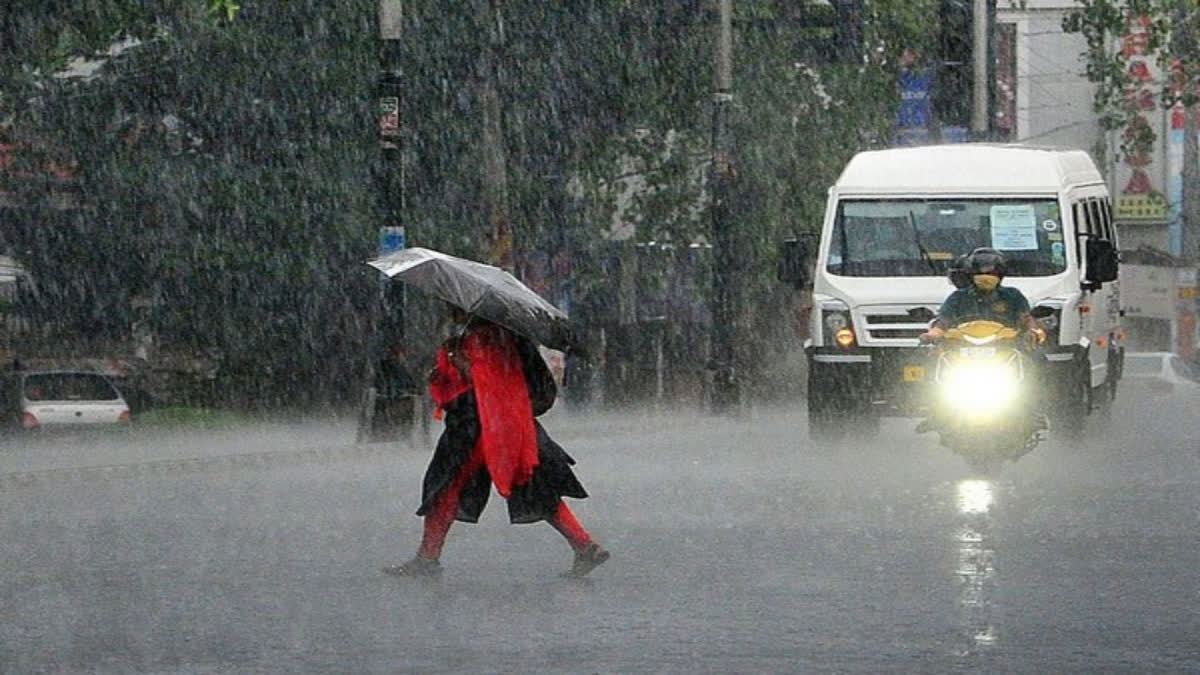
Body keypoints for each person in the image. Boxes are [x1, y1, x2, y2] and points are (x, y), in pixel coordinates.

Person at [383, 306, 609, 579]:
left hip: (478, 427)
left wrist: (460, 364)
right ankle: (583, 544)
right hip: (514, 423)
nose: (446, 309)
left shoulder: (483, 337)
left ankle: (428, 558)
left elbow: (484, 381)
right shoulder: (510, 336)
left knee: (445, 487)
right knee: (537, 488)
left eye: (451, 305)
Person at [917, 247, 1047, 434]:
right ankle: (936, 412)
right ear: (970, 274)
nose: (986, 276)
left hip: (1005, 349)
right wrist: (932, 335)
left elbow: (1026, 319)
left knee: (1037, 360)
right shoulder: (958, 298)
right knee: (930, 364)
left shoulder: (1013, 296)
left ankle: (1033, 411)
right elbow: (943, 322)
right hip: (962, 351)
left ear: (1001, 275)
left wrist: (1033, 331)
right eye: (980, 272)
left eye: (992, 272)